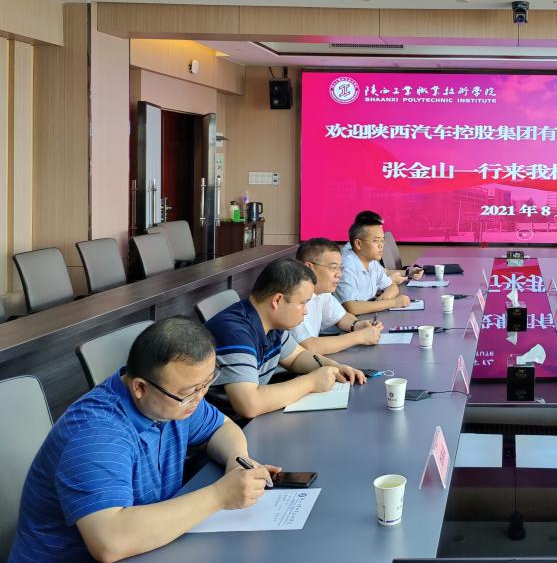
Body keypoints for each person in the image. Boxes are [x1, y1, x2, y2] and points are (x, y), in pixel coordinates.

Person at [9, 317, 279, 562]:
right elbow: (110, 542)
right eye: (190, 391)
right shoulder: (96, 434)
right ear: (140, 387)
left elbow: (222, 427)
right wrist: (220, 496)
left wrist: (236, 461)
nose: (200, 397)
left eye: (206, 384)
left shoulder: (174, 400)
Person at [205, 258, 366, 422]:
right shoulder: (235, 333)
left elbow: (296, 356)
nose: (306, 311)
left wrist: (335, 367)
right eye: (302, 303)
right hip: (226, 426)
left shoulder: (270, 322)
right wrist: (311, 382)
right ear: (277, 300)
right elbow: (249, 404)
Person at [294, 237, 384, 354]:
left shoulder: (322, 293)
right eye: (333, 268)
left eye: (340, 268)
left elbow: (341, 317)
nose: (339, 274)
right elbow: (308, 346)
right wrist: (360, 337)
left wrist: (358, 325)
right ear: (309, 268)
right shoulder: (291, 297)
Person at [337, 218, 412, 315]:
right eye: (376, 241)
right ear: (358, 244)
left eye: (382, 240)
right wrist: (392, 303)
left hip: (366, 317)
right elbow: (352, 308)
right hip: (349, 322)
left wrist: (386, 298)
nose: (381, 245)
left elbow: (391, 285)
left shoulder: (371, 261)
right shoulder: (347, 265)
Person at [343, 210, 423, 285]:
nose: (381, 245)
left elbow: (384, 272)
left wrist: (409, 272)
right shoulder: (349, 260)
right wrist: (390, 282)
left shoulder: (368, 254)